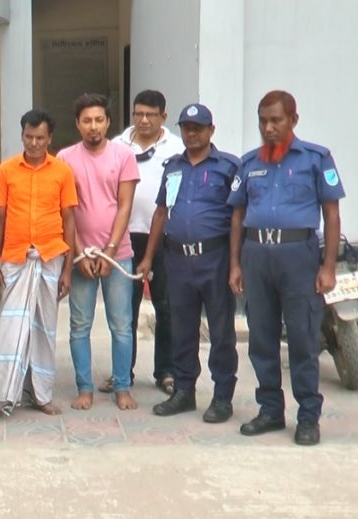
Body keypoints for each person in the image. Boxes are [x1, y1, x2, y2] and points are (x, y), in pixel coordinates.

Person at [229, 90, 344, 446]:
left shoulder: (316, 159)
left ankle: (308, 416)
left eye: (276, 120)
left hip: (298, 257)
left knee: (302, 339)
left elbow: (332, 214)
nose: (268, 127)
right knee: (261, 337)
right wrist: (235, 264)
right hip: (256, 255)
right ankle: (270, 410)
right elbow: (237, 215)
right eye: (263, 121)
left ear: (293, 119)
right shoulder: (249, 163)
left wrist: (328, 267)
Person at [137, 103, 239, 423]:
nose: (192, 134)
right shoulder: (173, 167)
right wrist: (148, 257)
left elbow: (239, 216)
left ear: (211, 130)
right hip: (178, 260)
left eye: (198, 128)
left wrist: (237, 263)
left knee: (220, 331)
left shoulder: (228, 167)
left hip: (215, 259)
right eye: (187, 128)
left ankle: (222, 396)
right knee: (181, 328)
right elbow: (161, 213)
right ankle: (184, 391)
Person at [0, 109, 77, 417]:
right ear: (22, 136)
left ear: (50, 138)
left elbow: (69, 218)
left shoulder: (62, 171)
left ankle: (41, 395)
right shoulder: (7, 170)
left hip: (50, 257)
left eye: (40, 138)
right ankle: (2, 394)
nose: (34, 143)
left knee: (43, 331)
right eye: (28, 137)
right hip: (14, 260)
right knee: (11, 330)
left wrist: (68, 269)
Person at [57, 93, 140, 411]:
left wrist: (108, 252)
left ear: (108, 122)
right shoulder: (65, 158)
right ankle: (84, 388)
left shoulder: (124, 156)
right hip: (80, 256)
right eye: (87, 120)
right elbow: (66, 211)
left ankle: (122, 386)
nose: (93, 126)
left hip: (118, 255)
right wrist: (79, 252)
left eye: (99, 120)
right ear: (77, 124)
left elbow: (125, 206)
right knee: (80, 325)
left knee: (121, 325)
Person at [112, 89, 184, 394]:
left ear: (163, 117)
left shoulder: (177, 148)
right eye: (139, 114)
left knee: (166, 307)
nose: (143, 120)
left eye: (151, 115)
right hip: (124, 237)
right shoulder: (117, 145)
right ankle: (122, 372)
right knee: (123, 309)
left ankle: (166, 371)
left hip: (165, 238)